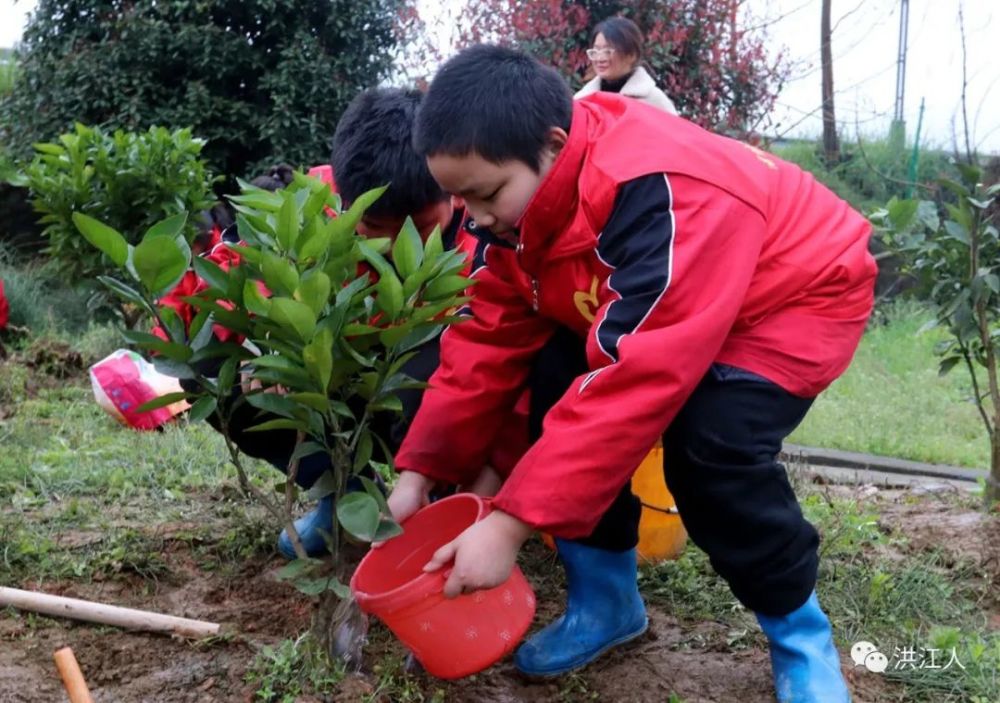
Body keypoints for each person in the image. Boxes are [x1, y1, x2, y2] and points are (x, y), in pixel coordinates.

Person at [385, 45, 875, 702]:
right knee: (557, 368)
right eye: (460, 198)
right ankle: (605, 599)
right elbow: (487, 338)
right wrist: (418, 470)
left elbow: (635, 378)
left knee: (713, 450)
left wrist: (509, 524)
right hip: (674, 298)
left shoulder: (659, 190)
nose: (473, 217)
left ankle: (800, 636)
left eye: (487, 194)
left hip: (789, 297)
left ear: (553, 146)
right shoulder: (517, 216)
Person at [161, 88, 523, 559]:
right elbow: (233, 267)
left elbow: (502, 357)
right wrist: (268, 338)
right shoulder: (315, 205)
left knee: (429, 379)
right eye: (375, 228)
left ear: (450, 190)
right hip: (347, 375)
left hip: (441, 389)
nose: (396, 243)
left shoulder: (488, 237)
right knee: (209, 369)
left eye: (416, 223)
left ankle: (445, 503)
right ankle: (345, 494)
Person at [574, 16, 677, 114]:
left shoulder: (654, 100)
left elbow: (675, 131)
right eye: (596, 51)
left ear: (631, 55)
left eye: (608, 51)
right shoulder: (582, 100)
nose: (600, 59)